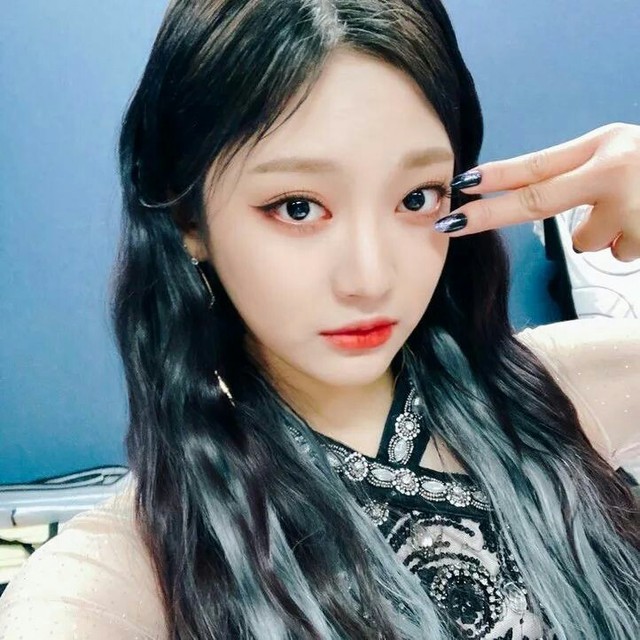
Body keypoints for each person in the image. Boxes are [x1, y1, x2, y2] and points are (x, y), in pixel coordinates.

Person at [1, 0, 638, 638]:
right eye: (298, 207)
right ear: (187, 219)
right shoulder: (135, 567)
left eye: (416, 197)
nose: (370, 278)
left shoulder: (573, 392)